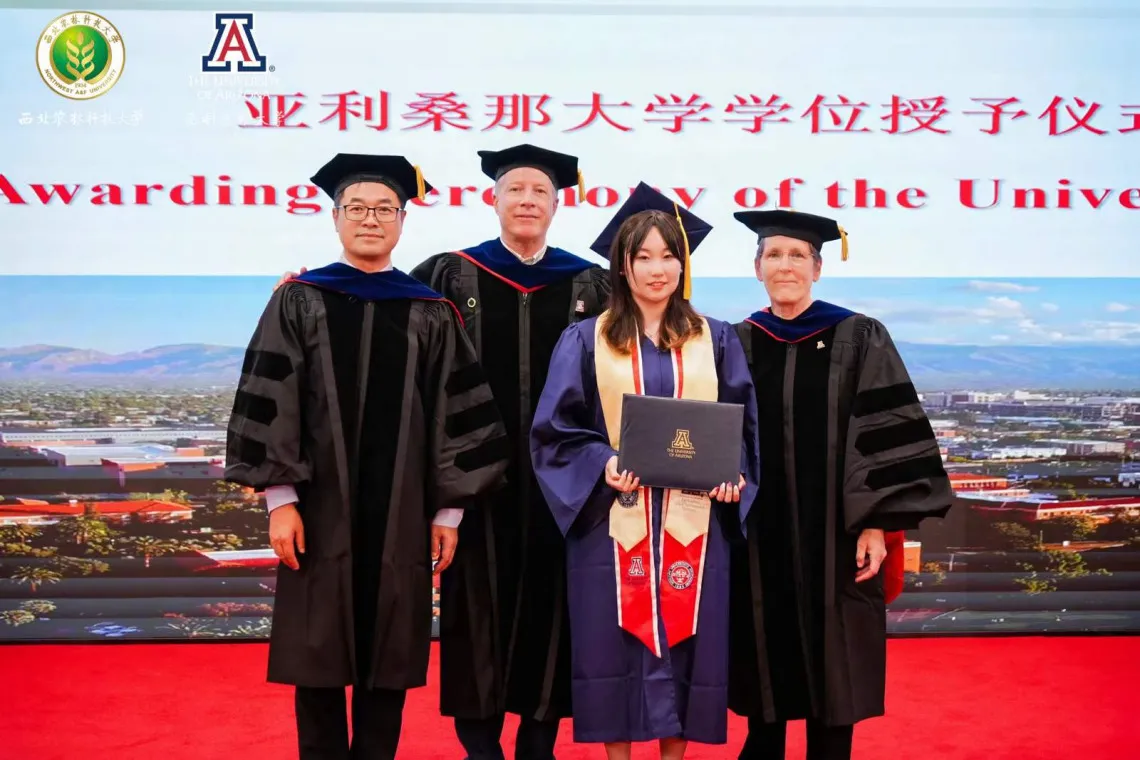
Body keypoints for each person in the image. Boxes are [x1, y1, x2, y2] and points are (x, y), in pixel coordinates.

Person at [225, 153, 510, 760]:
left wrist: (449, 513)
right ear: (335, 219)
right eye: (357, 208)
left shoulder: (430, 311)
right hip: (316, 514)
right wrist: (280, 501)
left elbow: (455, 414)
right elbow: (274, 400)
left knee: (388, 662)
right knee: (319, 659)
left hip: (403, 517)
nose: (371, 219)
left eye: (385, 209)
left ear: (403, 221)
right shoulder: (298, 301)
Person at [529, 182, 760, 760]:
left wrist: (733, 475)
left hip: (695, 525)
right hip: (612, 523)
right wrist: (602, 463)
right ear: (623, 267)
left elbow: (743, 429)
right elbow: (554, 431)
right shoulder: (586, 339)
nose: (658, 269)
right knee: (611, 646)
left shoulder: (718, 339)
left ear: (684, 263)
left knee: (689, 645)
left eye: (668, 255)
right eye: (643, 257)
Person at [725, 209, 954, 760]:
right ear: (757, 268)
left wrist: (877, 523)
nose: (786, 265)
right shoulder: (734, 342)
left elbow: (885, 434)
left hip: (837, 535)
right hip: (759, 539)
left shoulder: (860, 338)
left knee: (834, 692)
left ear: (818, 268)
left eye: (797, 255)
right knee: (764, 690)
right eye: (774, 255)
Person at [410, 144, 612, 760]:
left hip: (564, 485)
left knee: (555, 610)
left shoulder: (589, 283)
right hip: (475, 480)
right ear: (492, 198)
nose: (527, 200)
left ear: (557, 204)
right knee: (476, 610)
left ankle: (537, 742)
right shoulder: (447, 274)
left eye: (540, 192)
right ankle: (480, 747)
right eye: (515, 190)